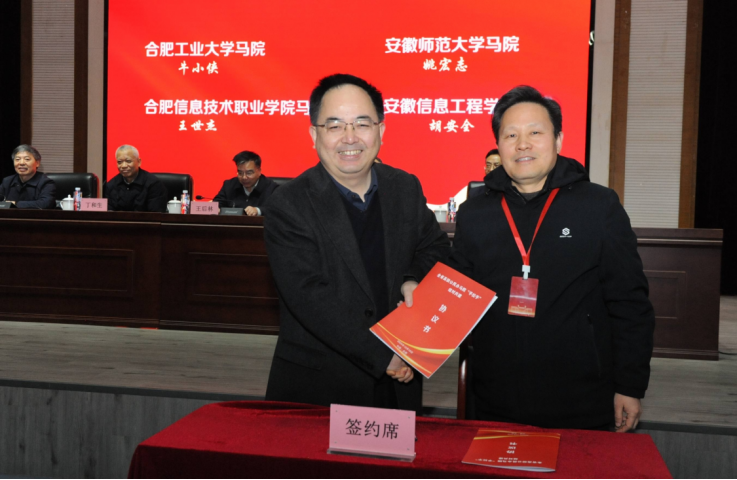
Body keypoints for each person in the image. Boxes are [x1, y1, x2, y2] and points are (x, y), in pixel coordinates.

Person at [449, 86, 655, 431]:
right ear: (498, 144)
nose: (522, 144)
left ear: (558, 139)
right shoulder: (475, 213)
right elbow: (455, 292)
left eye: (535, 133)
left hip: (582, 396)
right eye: (511, 135)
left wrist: (630, 385)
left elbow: (630, 302)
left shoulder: (598, 206)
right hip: (494, 394)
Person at [263, 74, 450, 412]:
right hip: (321, 385)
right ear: (314, 134)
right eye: (334, 126)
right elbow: (309, 297)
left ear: (381, 130)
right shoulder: (288, 203)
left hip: (398, 383)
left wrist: (414, 279)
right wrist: (384, 354)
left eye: (362, 124)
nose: (350, 138)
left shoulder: (404, 187)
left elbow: (434, 248)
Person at [104, 145, 168, 212]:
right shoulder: (111, 186)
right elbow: (109, 214)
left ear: (139, 162)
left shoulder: (154, 184)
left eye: (128, 161)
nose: (123, 166)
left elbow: (156, 215)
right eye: (119, 162)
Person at [213, 151, 278, 216]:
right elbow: (216, 203)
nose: (244, 177)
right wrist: (215, 209)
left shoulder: (272, 188)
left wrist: (258, 210)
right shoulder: (229, 185)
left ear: (259, 171)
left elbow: (278, 209)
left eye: (249, 173)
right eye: (240, 173)